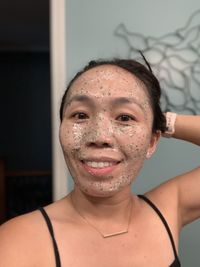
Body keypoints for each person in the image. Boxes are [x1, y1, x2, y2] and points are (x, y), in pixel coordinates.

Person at [0, 58, 199, 267]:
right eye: (80, 115)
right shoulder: (17, 242)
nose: (99, 136)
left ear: (151, 142)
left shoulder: (168, 210)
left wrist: (160, 120)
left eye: (124, 117)